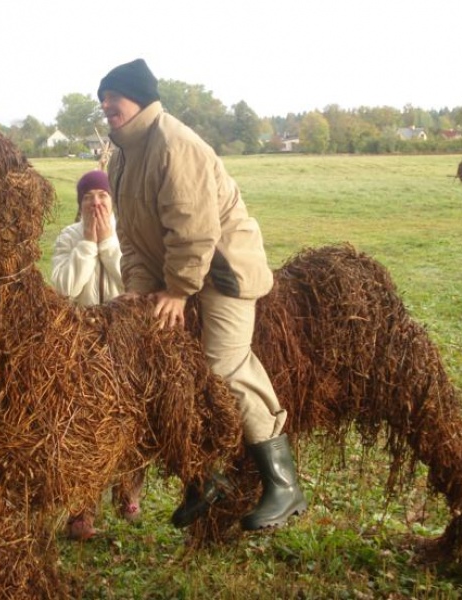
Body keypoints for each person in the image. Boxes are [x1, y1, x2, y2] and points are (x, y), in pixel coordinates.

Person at [97, 58, 307, 531]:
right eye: (102, 100)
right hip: (181, 271)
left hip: (224, 272)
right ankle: (202, 476)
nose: (106, 105)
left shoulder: (176, 144)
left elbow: (195, 231)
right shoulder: (122, 156)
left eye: (113, 97)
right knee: (159, 360)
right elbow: (131, 235)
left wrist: (177, 290)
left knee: (223, 365)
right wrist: (137, 289)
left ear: (139, 99)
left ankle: (284, 484)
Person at [51, 169, 143, 540]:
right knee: (85, 423)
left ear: (113, 200)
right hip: (82, 339)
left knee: (132, 416)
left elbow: (130, 281)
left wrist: (107, 243)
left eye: (102, 195)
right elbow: (64, 288)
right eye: (88, 197)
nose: (96, 202)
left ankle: (128, 493)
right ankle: (81, 511)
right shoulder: (68, 236)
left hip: (125, 338)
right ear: (80, 203)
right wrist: (88, 243)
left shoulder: (129, 234)